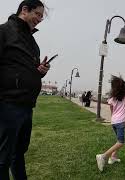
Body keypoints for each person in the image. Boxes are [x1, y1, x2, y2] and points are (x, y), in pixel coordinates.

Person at [0, 1, 49, 179]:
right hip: (8, 104)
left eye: (41, 16)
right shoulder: (4, 31)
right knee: (2, 158)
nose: (40, 19)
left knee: (18, 153)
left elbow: (27, 71)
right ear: (24, 10)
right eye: (37, 14)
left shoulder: (32, 42)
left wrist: (39, 71)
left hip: (27, 106)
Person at [96, 75, 125, 172]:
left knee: (118, 141)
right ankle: (103, 156)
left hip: (114, 121)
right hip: (120, 122)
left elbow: (112, 108)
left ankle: (113, 157)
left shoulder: (113, 98)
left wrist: (113, 117)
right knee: (121, 142)